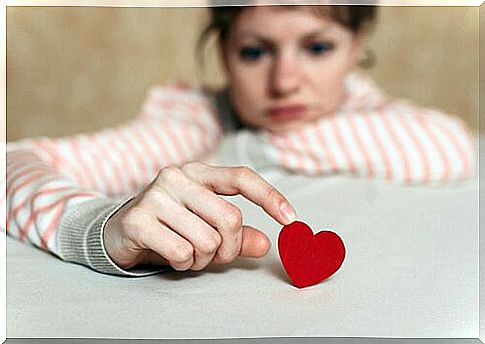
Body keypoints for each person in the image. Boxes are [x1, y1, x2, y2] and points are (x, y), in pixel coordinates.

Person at [5, 5, 475, 277]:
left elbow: (451, 148)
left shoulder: (370, 111)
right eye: (254, 52)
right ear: (224, 54)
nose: (286, 81)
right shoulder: (194, 124)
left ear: (356, 45)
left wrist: (250, 148)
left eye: (317, 48)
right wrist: (99, 229)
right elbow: (12, 163)